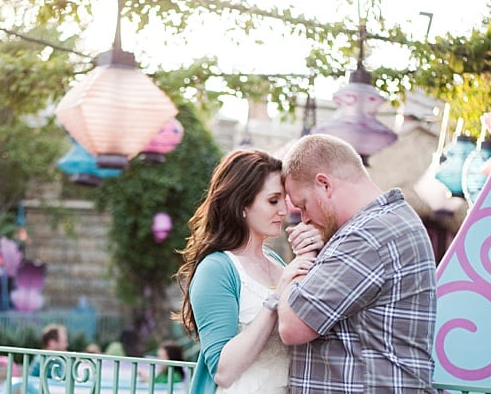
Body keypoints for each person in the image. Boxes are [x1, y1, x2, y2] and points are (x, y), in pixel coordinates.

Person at [277, 133, 437, 393]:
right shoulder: (389, 220)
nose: (304, 219)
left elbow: (293, 326)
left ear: (325, 185)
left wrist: (302, 258)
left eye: (303, 205)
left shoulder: (366, 235)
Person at [174, 149, 323, 394]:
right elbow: (223, 371)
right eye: (273, 200)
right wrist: (276, 299)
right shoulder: (217, 269)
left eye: (283, 200)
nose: (284, 211)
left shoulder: (277, 263)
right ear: (242, 205)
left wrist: (317, 250)